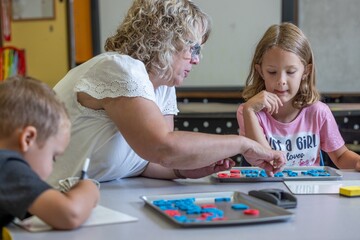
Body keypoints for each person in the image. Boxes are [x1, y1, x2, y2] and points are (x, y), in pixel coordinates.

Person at [47, 0, 286, 186]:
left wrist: (185, 170)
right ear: (164, 39)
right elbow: (163, 148)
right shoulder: (119, 68)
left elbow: (151, 162)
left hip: (93, 194)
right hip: (48, 196)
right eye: (193, 48)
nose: (197, 60)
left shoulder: (163, 86)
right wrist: (243, 144)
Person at [237, 22, 360, 170]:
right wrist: (249, 111)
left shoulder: (319, 112)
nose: (281, 81)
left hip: (309, 192)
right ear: (261, 71)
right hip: (266, 191)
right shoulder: (249, 112)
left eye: (290, 72)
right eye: (272, 72)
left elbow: (340, 156)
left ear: (306, 71)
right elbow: (266, 162)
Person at [0, 76, 100, 230]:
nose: (52, 168)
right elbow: (69, 214)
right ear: (28, 139)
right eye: (53, 156)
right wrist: (88, 188)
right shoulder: (6, 166)